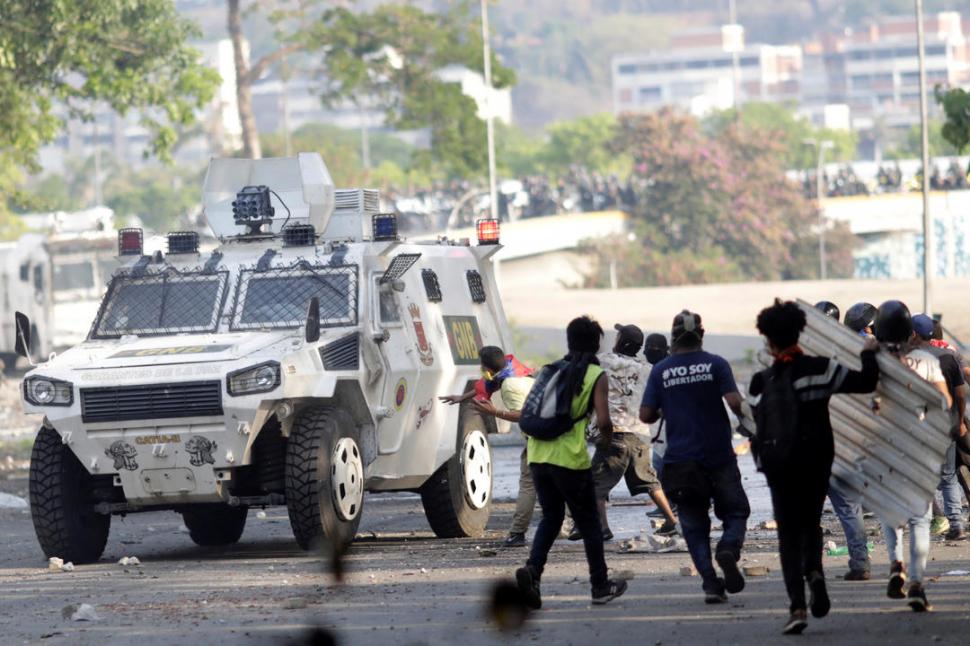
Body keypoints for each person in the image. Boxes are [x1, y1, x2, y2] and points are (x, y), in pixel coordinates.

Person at [749, 300, 880, 635]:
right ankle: (815, 573)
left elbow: (753, 428)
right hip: (816, 462)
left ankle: (797, 607)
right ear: (800, 333)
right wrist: (868, 351)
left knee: (788, 535)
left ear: (768, 341)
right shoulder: (821, 369)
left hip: (779, 468)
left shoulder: (760, 382)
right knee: (810, 524)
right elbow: (866, 383)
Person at [514, 316, 628, 608]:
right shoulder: (594, 375)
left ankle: (533, 573)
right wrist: (606, 440)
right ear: (596, 344)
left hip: (538, 456)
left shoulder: (551, 370)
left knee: (551, 518)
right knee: (589, 523)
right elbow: (604, 421)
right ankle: (600, 587)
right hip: (569, 460)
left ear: (569, 341)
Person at [639, 310, 751, 605]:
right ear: (701, 334)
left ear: (673, 337)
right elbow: (735, 403)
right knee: (736, 512)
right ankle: (728, 547)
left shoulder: (661, 370)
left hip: (680, 461)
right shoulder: (716, 364)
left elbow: (646, 414)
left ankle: (711, 584)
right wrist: (750, 421)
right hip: (719, 457)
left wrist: (669, 405)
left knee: (693, 524)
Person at [875, 300, 952, 612]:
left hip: (884, 445)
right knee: (920, 518)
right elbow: (944, 400)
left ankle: (896, 563)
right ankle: (918, 582)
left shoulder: (873, 360)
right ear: (910, 332)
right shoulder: (925, 360)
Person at [575, 324, 678, 541]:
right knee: (649, 480)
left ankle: (602, 527)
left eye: (619, 335)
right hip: (639, 433)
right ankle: (671, 520)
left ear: (622, 341)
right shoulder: (648, 369)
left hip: (614, 433)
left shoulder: (603, 361)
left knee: (595, 485)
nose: (616, 337)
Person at [440, 346, 535, 547]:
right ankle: (574, 523)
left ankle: (517, 533)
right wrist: (461, 398)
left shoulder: (509, 385)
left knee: (528, 486)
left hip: (537, 441)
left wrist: (495, 412)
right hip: (551, 435)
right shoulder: (514, 371)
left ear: (486, 367)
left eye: (481, 365)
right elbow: (486, 386)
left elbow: (523, 415)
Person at [912, 313, 967, 541]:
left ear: (914, 334)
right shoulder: (949, 356)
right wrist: (961, 420)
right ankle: (957, 524)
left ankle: (924, 526)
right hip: (948, 424)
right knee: (949, 477)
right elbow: (961, 393)